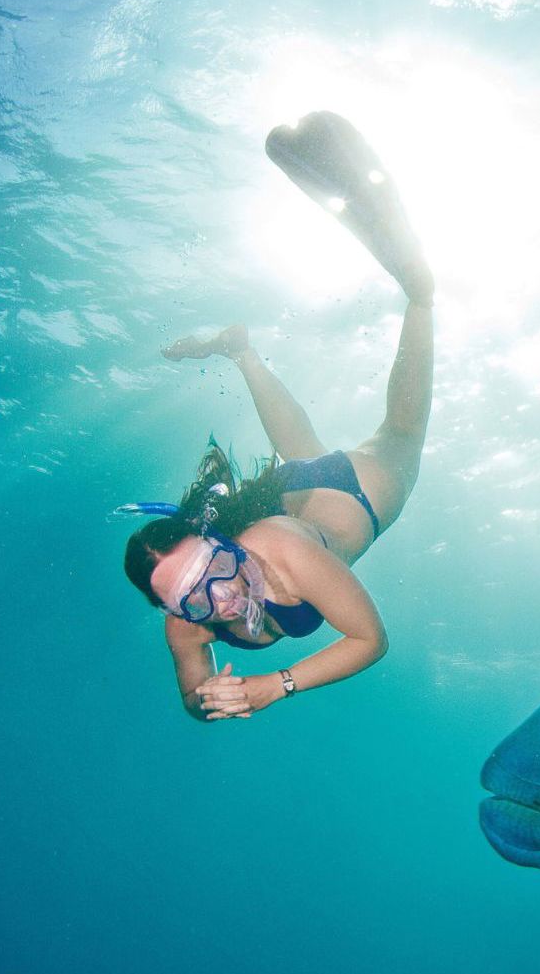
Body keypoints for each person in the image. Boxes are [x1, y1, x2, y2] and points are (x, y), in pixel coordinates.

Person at [122, 111, 435, 723]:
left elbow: (370, 641)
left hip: (359, 496)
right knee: (299, 458)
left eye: (214, 570)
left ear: (221, 544)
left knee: (402, 432)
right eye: (193, 598)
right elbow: (192, 698)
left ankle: (420, 297)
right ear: (175, 612)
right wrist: (208, 698)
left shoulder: (272, 548)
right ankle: (242, 351)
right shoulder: (188, 630)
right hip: (296, 493)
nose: (221, 596)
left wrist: (275, 686)